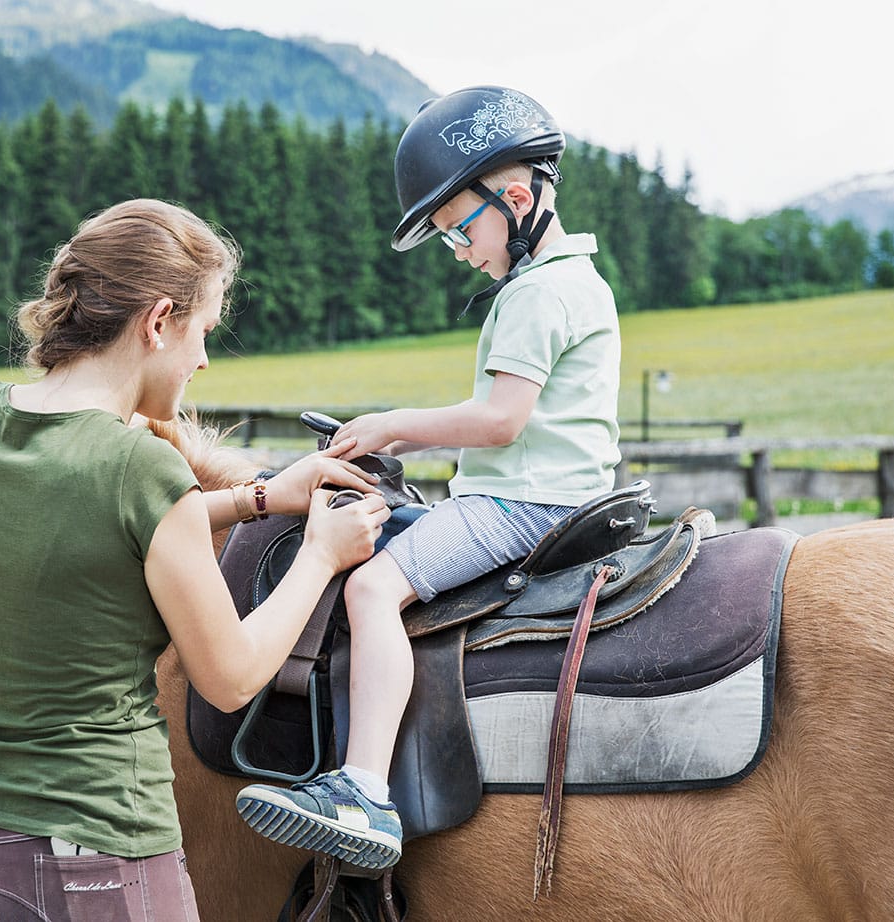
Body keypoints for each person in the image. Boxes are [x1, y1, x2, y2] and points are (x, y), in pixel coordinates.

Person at [0, 199, 391, 921]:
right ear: (158, 320)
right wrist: (321, 558)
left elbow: (101, 527)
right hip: (101, 864)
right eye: (202, 332)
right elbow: (231, 676)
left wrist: (260, 497)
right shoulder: (139, 467)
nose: (203, 359)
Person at [235, 86, 622, 869]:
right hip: (552, 493)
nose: (458, 250)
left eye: (458, 230)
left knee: (372, 587)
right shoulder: (568, 282)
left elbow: (500, 421)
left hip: (522, 506)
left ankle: (363, 790)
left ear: (515, 200)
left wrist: (391, 423)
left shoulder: (538, 293)